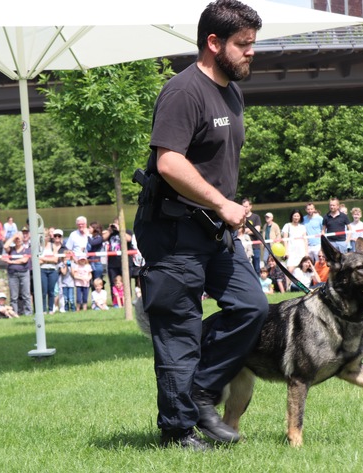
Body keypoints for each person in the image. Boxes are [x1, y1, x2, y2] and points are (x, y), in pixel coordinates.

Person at [133, 0, 268, 451]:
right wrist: (220, 203)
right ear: (213, 43)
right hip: (173, 232)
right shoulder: (183, 91)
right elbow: (169, 162)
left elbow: (213, 161)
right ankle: (177, 431)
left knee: (251, 307)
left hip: (216, 228)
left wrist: (232, 205)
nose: (252, 52)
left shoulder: (231, 91)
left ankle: (200, 391)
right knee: (179, 331)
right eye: (243, 44)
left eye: (253, 43)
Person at [4, 233, 32, 316]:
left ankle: (28, 313)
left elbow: (24, 260)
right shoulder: (11, 249)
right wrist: (13, 237)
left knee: (26, 295)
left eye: (19, 238)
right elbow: (5, 246)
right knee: (14, 296)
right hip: (13, 274)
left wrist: (11, 261)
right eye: (17, 239)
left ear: (23, 240)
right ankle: (14, 313)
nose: (18, 240)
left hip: (24, 273)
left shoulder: (27, 250)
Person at [39, 229, 62, 315]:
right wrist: (49, 260)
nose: (45, 238)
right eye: (43, 236)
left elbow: (55, 260)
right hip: (42, 270)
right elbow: (37, 261)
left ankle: (51, 309)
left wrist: (43, 259)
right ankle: (44, 310)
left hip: (52, 271)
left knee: (51, 291)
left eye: (46, 236)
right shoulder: (38, 247)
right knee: (43, 291)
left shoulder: (53, 246)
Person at [242, 198, 261, 273]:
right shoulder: (241, 217)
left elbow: (257, 230)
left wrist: (244, 231)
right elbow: (237, 230)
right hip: (244, 246)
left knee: (256, 268)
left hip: (255, 246)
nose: (245, 208)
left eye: (246, 206)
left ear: (250, 206)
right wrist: (250, 230)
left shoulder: (256, 217)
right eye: (243, 206)